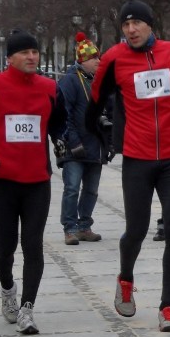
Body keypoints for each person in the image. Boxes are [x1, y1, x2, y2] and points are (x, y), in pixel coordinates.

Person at [86, 0, 170, 332]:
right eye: (125, 24)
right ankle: (126, 278)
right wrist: (101, 137)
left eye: (137, 23)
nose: (131, 29)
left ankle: (167, 307)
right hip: (138, 159)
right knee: (137, 230)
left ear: (150, 25)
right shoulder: (114, 60)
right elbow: (95, 104)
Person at [0, 30, 67, 334]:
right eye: (24, 52)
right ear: (10, 58)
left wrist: (59, 140)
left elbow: (58, 121)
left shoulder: (49, 88)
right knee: (4, 248)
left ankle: (27, 308)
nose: (32, 57)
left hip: (37, 180)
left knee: (32, 245)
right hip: (2, 179)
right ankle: (8, 290)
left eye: (34, 52)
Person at [58, 32, 113, 246]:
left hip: (95, 146)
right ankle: (70, 228)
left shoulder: (100, 82)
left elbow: (109, 113)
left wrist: (109, 143)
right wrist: (73, 142)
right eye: (94, 58)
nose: (98, 61)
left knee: (91, 189)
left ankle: (84, 225)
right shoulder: (70, 81)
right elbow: (64, 115)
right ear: (83, 61)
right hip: (76, 147)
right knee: (72, 188)